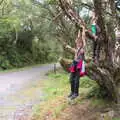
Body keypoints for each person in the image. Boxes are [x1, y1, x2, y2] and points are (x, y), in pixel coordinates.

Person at [68, 26, 86, 100]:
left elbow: (83, 37)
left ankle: (76, 93)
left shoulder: (83, 48)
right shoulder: (77, 47)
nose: (78, 43)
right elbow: (78, 37)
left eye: (80, 43)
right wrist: (79, 29)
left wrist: (83, 29)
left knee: (76, 79)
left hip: (79, 64)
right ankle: (72, 92)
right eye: (77, 42)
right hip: (74, 63)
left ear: (82, 43)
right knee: (71, 78)